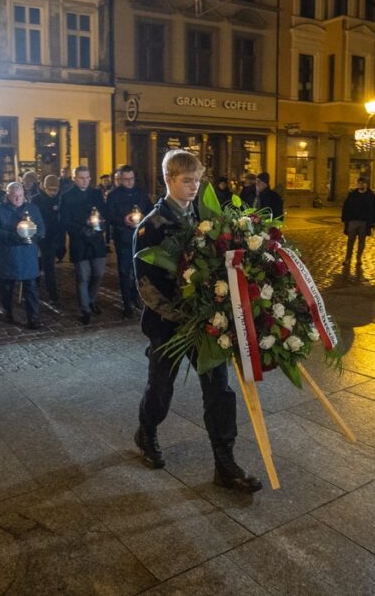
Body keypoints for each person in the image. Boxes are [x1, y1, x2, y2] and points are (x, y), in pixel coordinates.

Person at [134, 149, 262, 493]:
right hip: (169, 328)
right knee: (161, 390)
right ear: (168, 180)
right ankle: (147, 431)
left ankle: (225, 463)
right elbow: (147, 290)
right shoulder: (150, 229)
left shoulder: (206, 218)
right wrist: (187, 316)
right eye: (186, 180)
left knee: (219, 391)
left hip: (206, 326)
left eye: (197, 180)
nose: (193, 187)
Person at [0, 182, 45, 329]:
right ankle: (8, 312)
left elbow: (41, 227)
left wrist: (35, 236)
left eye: (20, 196)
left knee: (31, 288)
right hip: (8, 254)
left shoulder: (32, 209)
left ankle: (34, 317)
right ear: (8, 195)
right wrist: (12, 236)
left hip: (28, 254)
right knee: (7, 288)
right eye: (14, 196)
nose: (18, 199)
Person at [60, 165, 108, 325]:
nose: (85, 181)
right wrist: (82, 227)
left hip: (96, 240)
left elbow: (103, 214)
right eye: (81, 178)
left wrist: (99, 225)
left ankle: (91, 299)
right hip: (79, 241)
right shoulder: (66, 196)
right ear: (75, 178)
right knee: (82, 276)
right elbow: (64, 221)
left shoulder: (96, 194)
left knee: (99, 273)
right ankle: (85, 309)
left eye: (87, 178)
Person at [105, 164, 152, 318]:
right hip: (123, 238)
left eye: (131, 179)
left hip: (140, 237)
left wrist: (143, 218)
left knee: (138, 270)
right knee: (125, 272)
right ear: (120, 179)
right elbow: (109, 216)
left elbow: (151, 211)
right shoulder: (114, 195)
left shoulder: (141, 193)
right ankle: (126, 304)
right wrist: (123, 220)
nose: (129, 183)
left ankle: (135, 295)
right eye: (126, 180)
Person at [31, 174, 63, 304]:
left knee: (49, 268)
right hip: (39, 237)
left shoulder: (60, 198)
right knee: (36, 266)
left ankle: (53, 295)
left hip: (51, 238)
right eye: (50, 190)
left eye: (55, 190)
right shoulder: (36, 200)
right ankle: (34, 291)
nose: (52, 193)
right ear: (44, 187)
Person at [341, 177, 375, 265]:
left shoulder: (371, 195)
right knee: (350, 241)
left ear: (366, 184)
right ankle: (347, 259)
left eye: (363, 183)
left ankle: (358, 258)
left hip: (365, 222)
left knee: (362, 241)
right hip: (353, 221)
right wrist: (344, 219)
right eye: (359, 183)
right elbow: (345, 207)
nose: (361, 185)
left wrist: (374, 223)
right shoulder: (352, 194)